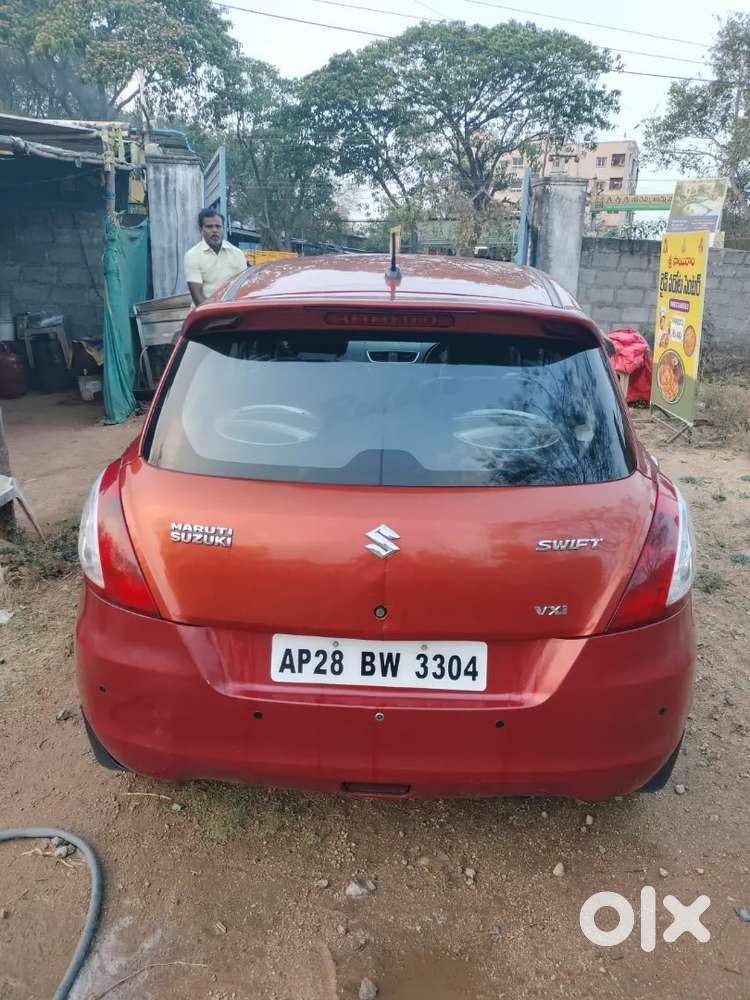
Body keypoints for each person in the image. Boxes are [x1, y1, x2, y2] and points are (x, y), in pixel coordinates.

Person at [184, 209, 247, 306]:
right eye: (209, 227)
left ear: (223, 229)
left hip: (233, 310)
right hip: (204, 312)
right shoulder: (192, 255)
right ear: (201, 230)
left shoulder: (237, 254)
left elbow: (243, 288)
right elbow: (198, 297)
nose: (214, 230)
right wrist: (216, 315)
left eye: (218, 226)